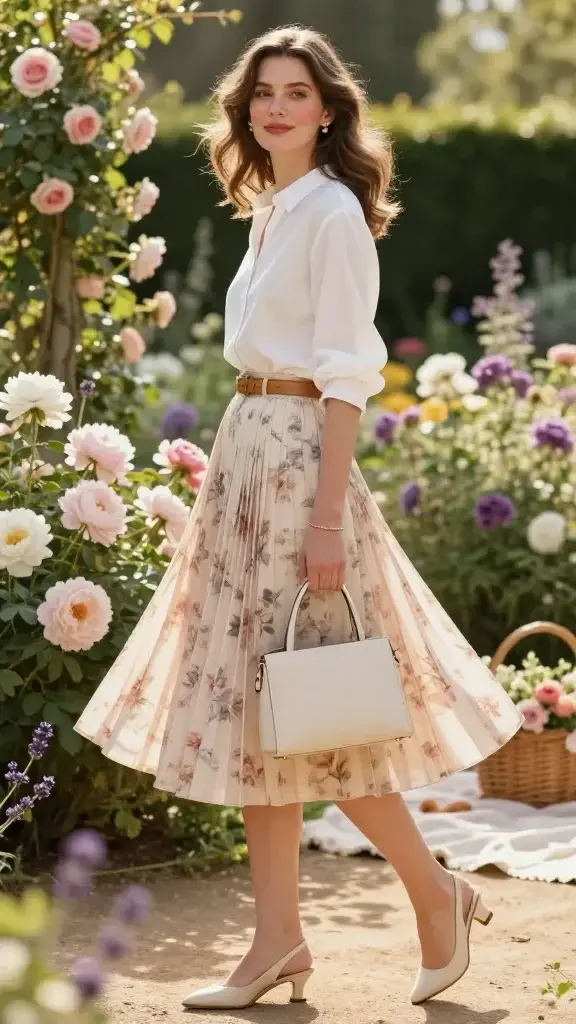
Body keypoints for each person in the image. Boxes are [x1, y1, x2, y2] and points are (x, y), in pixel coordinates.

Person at [75, 24, 523, 1010]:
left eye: (295, 92)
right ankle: (278, 938)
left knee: (316, 712)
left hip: (295, 476)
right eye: (261, 93)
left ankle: (432, 889)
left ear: (327, 110)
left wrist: (327, 518)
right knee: (256, 719)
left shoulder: (332, 214)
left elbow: (347, 378)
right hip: (248, 462)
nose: (274, 106)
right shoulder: (273, 210)